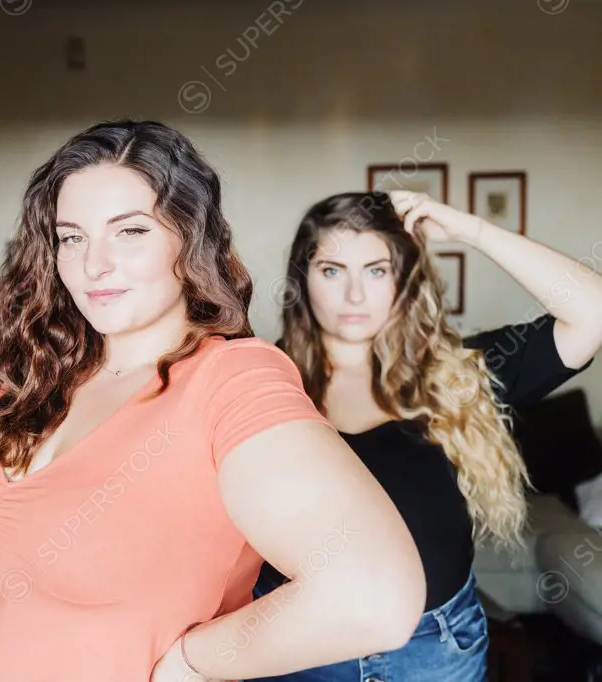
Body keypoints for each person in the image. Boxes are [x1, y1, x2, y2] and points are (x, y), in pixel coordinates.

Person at [0, 120, 427, 682]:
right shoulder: (34, 377)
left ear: (189, 239)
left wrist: (193, 664)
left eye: (130, 232)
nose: (94, 264)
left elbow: (375, 594)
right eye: (72, 237)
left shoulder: (232, 380)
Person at [248, 189, 601, 681]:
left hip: (435, 652)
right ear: (302, 280)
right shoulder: (258, 381)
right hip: (296, 647)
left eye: (377, 270)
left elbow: (593, 310)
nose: (354, 295)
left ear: (405, 281)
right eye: (332, 270)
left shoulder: (457, 378)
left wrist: (468, 228)